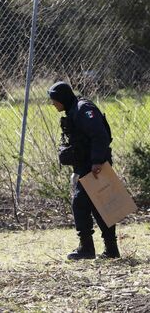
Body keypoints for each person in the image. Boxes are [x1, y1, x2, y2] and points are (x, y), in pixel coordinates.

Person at [48, 81, 119, 260]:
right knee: (99, 207)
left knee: (80, 204)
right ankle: (111, 250)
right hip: (86, 164)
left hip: (94, 165)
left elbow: (100, 134)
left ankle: (87, 249)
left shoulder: (82, 109)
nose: (53, 103)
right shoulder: (73, 110)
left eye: (54, 100)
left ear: (62, 98)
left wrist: (96, 161)